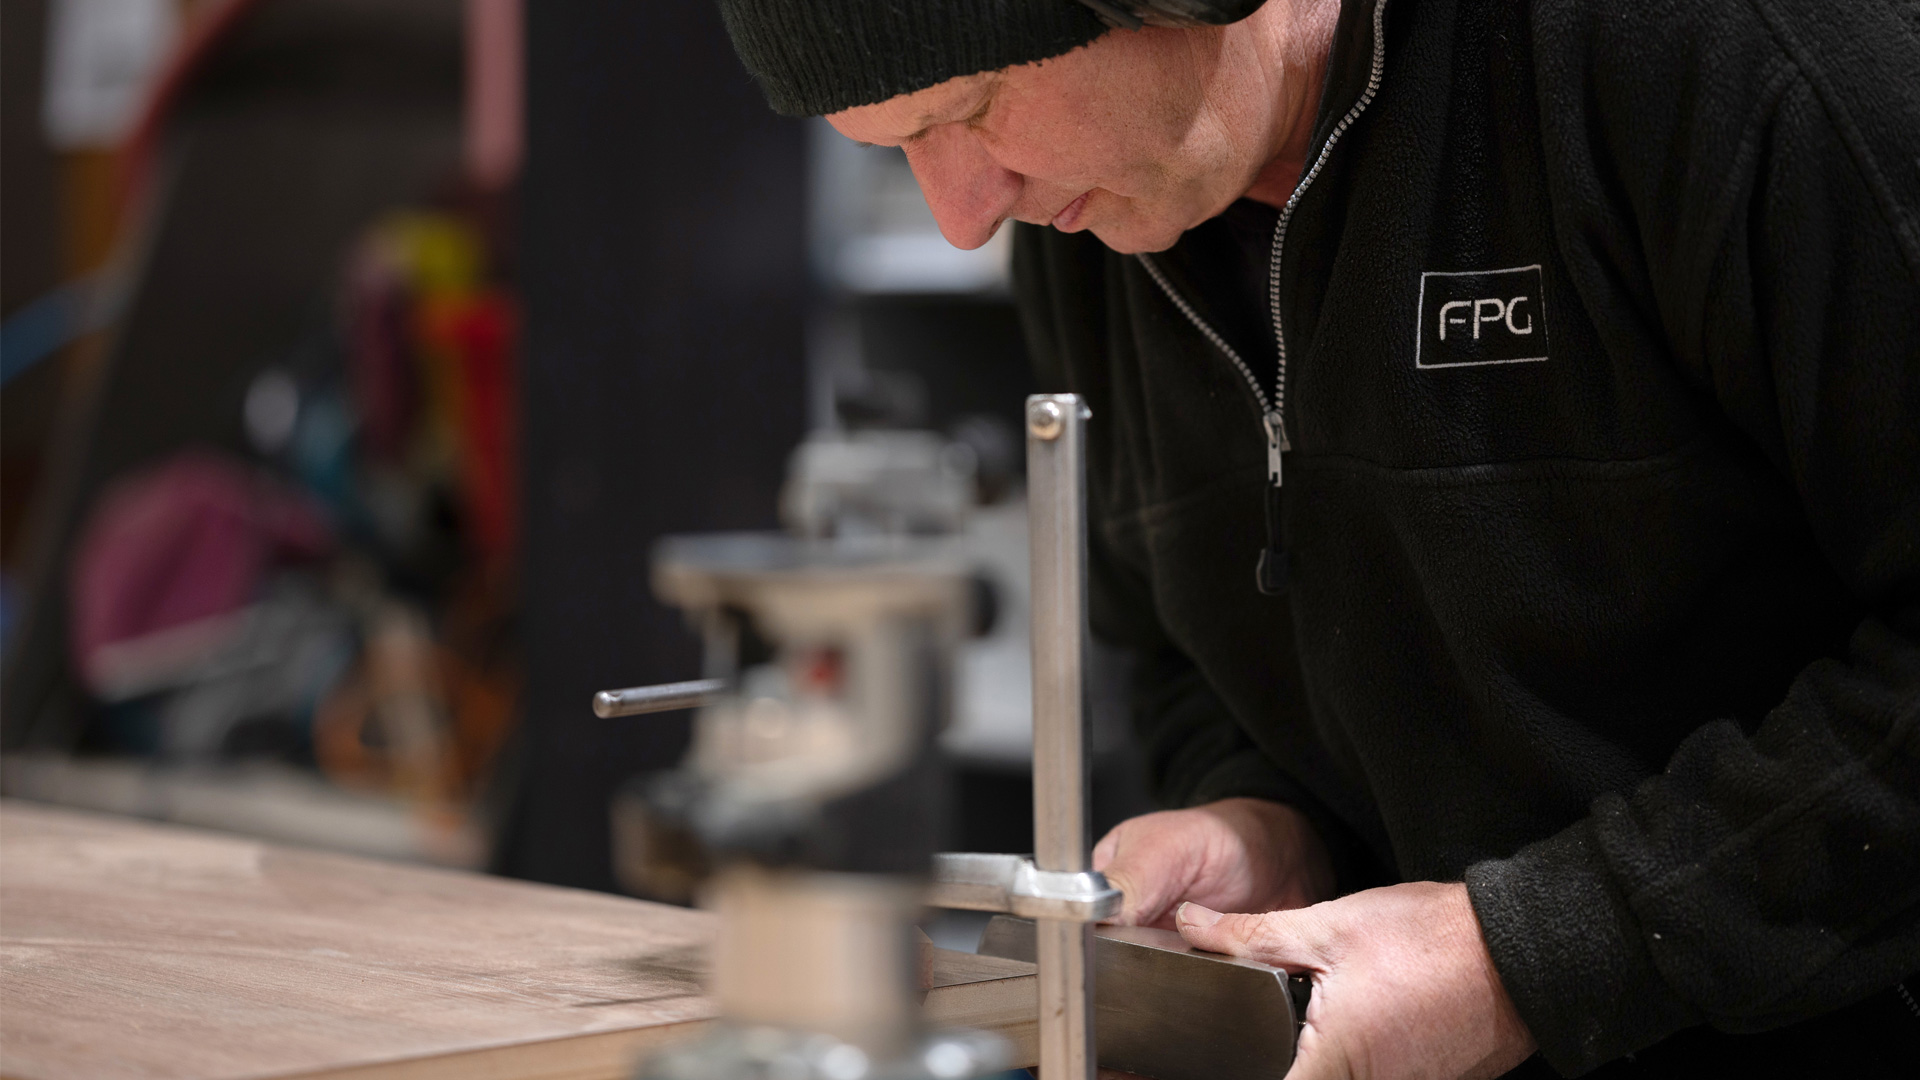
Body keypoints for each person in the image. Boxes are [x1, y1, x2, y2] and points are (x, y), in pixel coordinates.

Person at [715, 1, 1920, 1076]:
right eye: (895, 151)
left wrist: (1538, 955)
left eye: (968, 110)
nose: (964, 217)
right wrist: (1261, 820)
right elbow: (1178, 645)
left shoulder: (1725, 56)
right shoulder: (1098, 228)